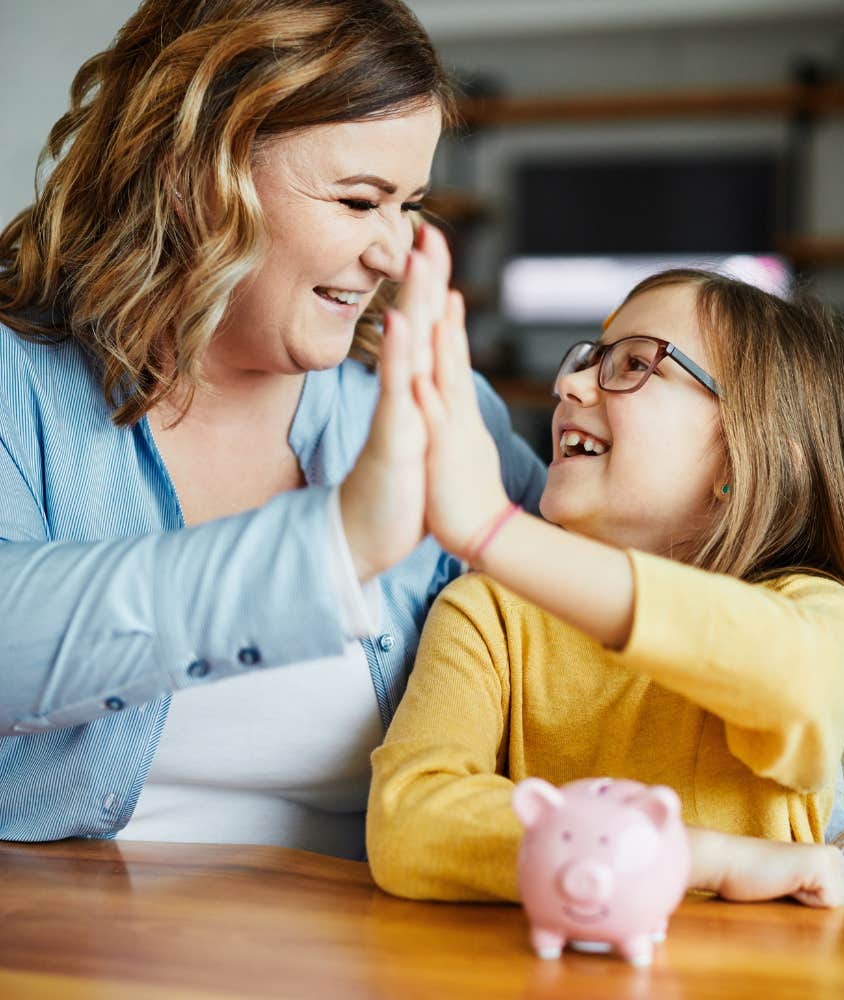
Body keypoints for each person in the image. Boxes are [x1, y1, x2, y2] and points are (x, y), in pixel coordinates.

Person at [0, 0, 545, 855]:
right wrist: (333, 545)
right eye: (359, 200)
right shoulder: (16, 381)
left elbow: (606, 636)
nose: (395, 253)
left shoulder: (434, 403)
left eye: (408, 204)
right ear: (191, 178)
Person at [367, 267, 844, 906]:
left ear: (746, 455)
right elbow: (410, 820)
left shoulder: (815, 609)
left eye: (635, 364)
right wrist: (689, 857)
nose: (568, 385)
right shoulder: (491, 611)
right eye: (588, 360)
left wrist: (496, 531)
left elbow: (797, 683)